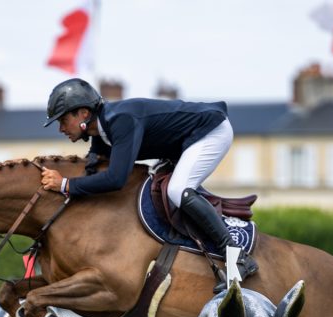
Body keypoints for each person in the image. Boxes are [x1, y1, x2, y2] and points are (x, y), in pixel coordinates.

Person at [40, 78, 259, 279]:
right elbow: (91, 173)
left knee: (177, 190)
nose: (60, 128)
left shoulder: (120, 120)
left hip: (211, 131)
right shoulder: (101, 136)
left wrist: (65, 184)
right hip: (184, 144)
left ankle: (238, 258)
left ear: (84, 113)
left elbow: (116, 179)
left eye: (63, 119)